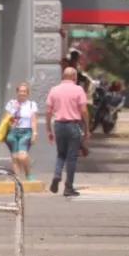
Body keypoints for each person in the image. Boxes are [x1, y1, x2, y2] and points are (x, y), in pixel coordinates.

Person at [46, 67, 90, 197]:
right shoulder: (78, 90)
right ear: (74, 77)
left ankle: (57, 175)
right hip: (73, 125)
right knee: (71, 157)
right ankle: (68, 187)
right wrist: (87, 128)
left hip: (58, 125)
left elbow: (48, 111)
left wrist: (49, 129)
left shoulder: (54, 90)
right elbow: (84, 110)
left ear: (63, 76)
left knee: (61, 154)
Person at [4, 82, 39, 181]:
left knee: (22, 156)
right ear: (17, 92)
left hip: (26, 131)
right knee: (15, 157)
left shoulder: (32, 105)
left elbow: (34, 120)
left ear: (27, 93)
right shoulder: (11, 103)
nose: (22, 93)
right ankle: (18, 179)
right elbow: (6, 118)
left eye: (24, 91)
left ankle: (28, 174)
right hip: (13, 131)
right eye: (20, 91)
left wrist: (34, 133)